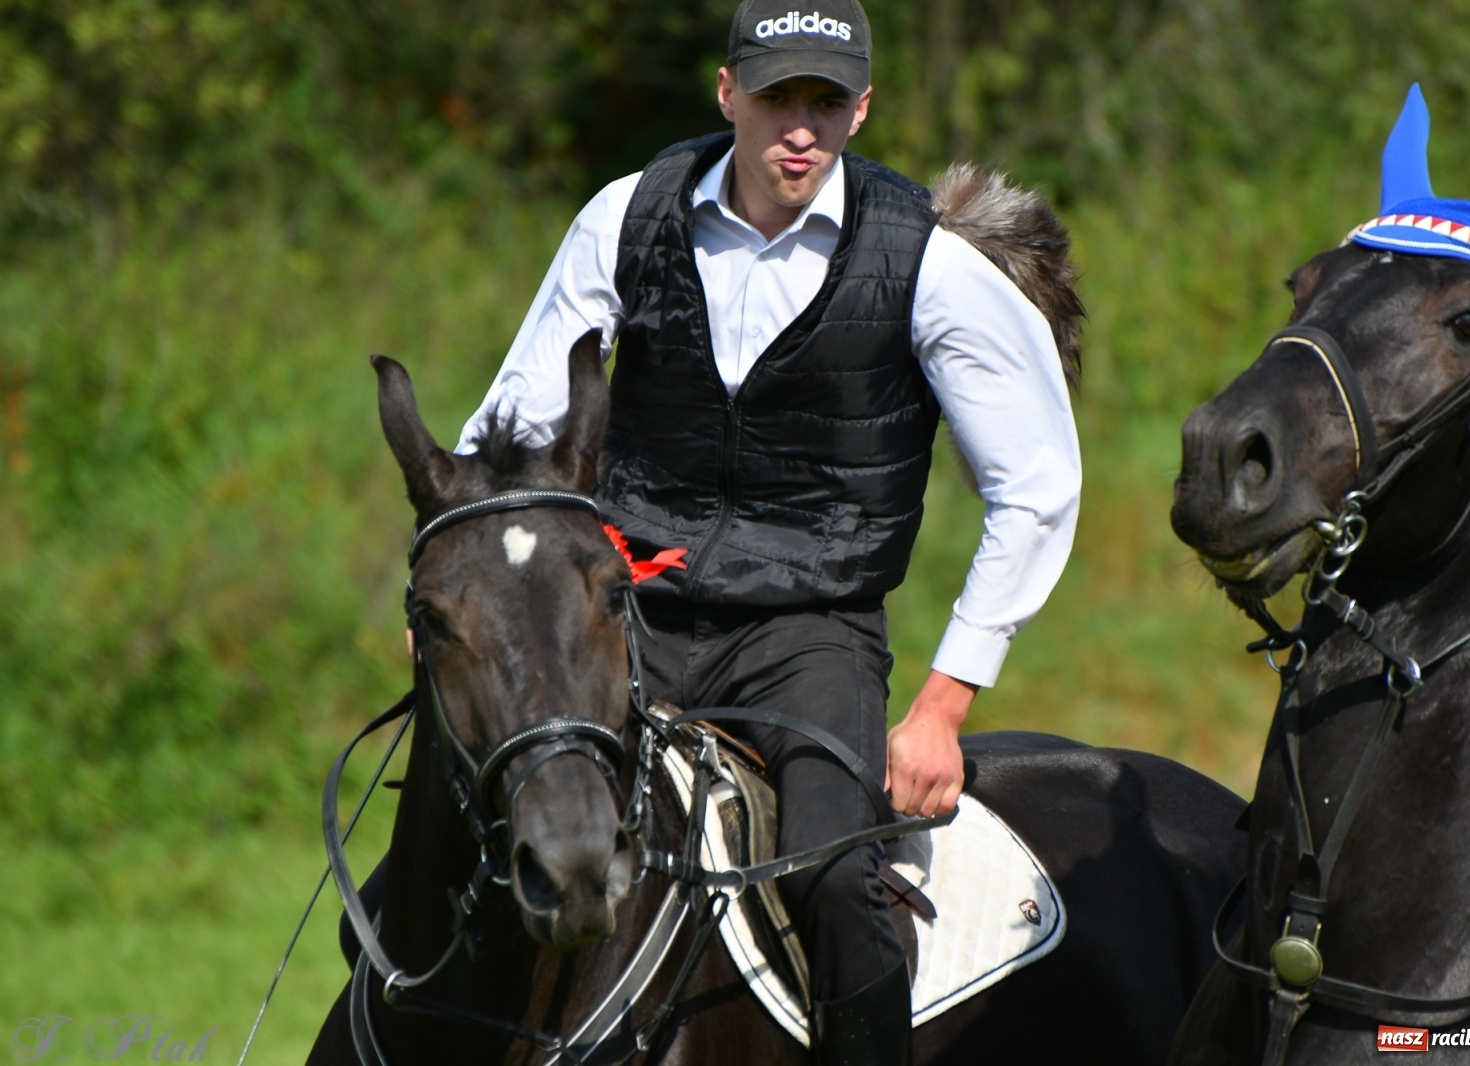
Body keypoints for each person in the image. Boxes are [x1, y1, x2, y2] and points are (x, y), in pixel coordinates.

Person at [456, 2, 1080, 1061]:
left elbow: (1037, 486)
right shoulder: (624, 218)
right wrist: (479, 594)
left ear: (861, 109)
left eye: (825, 102)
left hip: (809, 633)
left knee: (831, 876)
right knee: (466, 821)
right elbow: (514, 427)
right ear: (727, 94)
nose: (800, 127)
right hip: (626, 609)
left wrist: (942, 706)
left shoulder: (928, 262)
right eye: (777, 96)